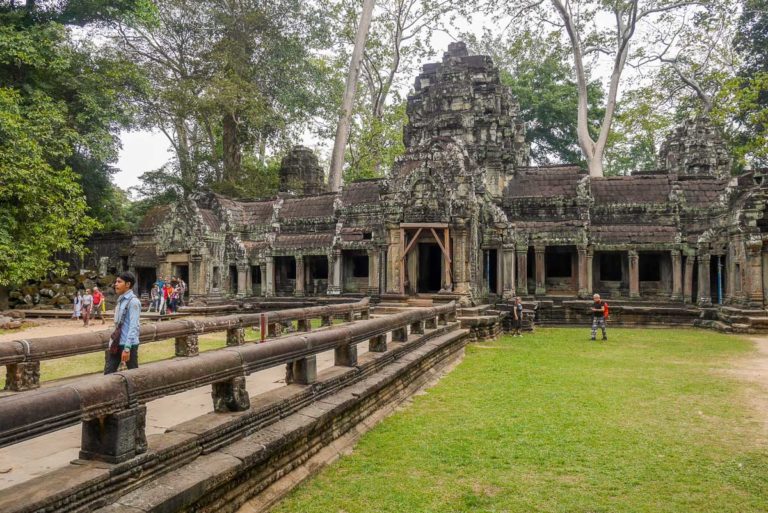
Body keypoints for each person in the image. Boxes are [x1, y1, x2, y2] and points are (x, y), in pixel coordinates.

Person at [105, 272, 141, 374]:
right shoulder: (120, 300)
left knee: (133, 374)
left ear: (128, 284)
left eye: (119, 282)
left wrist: (127, 348)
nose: (115, 284)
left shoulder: (133, 302)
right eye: (116, 281)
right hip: (117, 342)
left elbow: (133, 326)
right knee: (108, 372)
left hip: (128, 344)